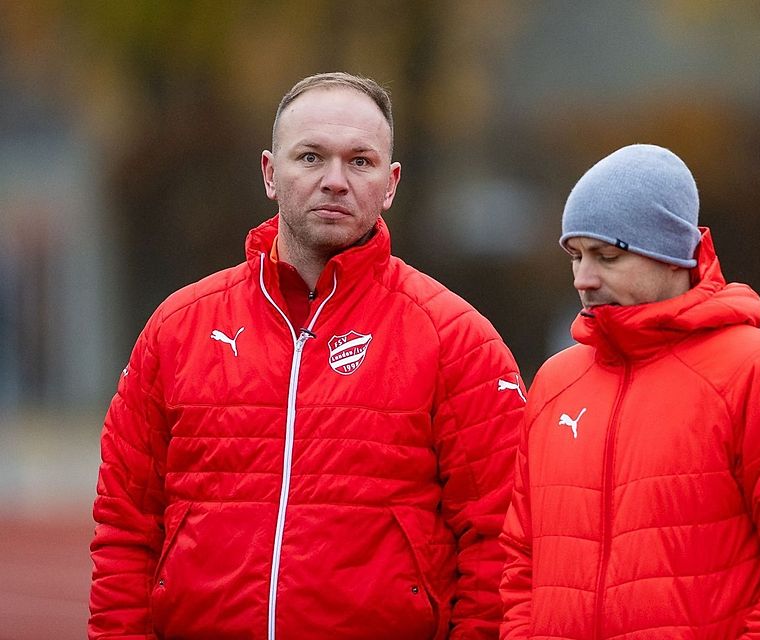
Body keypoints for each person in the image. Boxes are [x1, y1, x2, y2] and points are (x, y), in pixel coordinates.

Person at [89, 72, 525, 640]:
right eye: (311, 157)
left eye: (360, 162)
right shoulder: (178, 330)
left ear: (391, 184)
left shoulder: (458, 341)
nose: (335, 182)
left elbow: (502, 540)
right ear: (270, 173)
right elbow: (126, 528)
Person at [499, 145, 760, 639]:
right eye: (576, 256)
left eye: (607, 255)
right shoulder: (556, 381)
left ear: (673, 255)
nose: (584, 279)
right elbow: (523, 561)